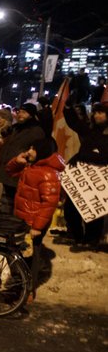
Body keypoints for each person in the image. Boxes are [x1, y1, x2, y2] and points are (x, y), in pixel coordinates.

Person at [5, 137, 64, 301]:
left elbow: (49, 204)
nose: (29, 151)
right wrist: (17, 161)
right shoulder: (32, 167)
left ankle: (28, 289)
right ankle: (20, 284)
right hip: (23, 218)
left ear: (42, 152)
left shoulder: (47, 173)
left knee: (32, 256)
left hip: (34, 221)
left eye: (33, 148)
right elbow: (9, 172)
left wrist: (37, 227)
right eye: (29, 147)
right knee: (20, 252)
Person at [62, 103, 107, 248]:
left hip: (99, 180)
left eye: (101, 113)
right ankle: (77, 237)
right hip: (81, 177)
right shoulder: (90, 131)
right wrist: (68, 106)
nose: (97, 116)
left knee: (94, 212)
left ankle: (91, 240)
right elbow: (75, 123)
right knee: (70, 209)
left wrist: (84, 156)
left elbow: (105, 158)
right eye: (95, 113)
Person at [0, 103, 45, 215]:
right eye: (20, 112)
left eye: (24, 112)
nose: (20, 115)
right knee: (7, 201)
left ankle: (15, 224)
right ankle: (6, 223)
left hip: (20, 173)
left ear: (31, 115)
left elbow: (37, 151)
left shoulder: (36, 130)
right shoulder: (16, 128)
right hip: (9, 170)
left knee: (17, 203)